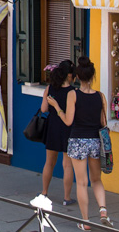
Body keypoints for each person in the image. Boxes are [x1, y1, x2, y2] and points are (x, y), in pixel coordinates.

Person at [48, 57, 111, 230]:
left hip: (77, 141)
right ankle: (103, 210)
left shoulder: (72, 95)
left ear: (76, 77)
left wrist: (57, 108)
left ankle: (86, 222)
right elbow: (103, 123)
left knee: (82, 183)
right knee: (97, 180)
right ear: (92, 77)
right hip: (95, 142)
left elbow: (68, 121)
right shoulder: (100, 96)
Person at [40, 59, 76, 206]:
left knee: (49, 162)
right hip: (67, 128)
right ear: (70, 75)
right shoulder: (72, 92)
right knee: (67, 165)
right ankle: (67, 198)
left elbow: (43, 109)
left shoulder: (50, 88)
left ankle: (44, 193)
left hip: (52, 127)